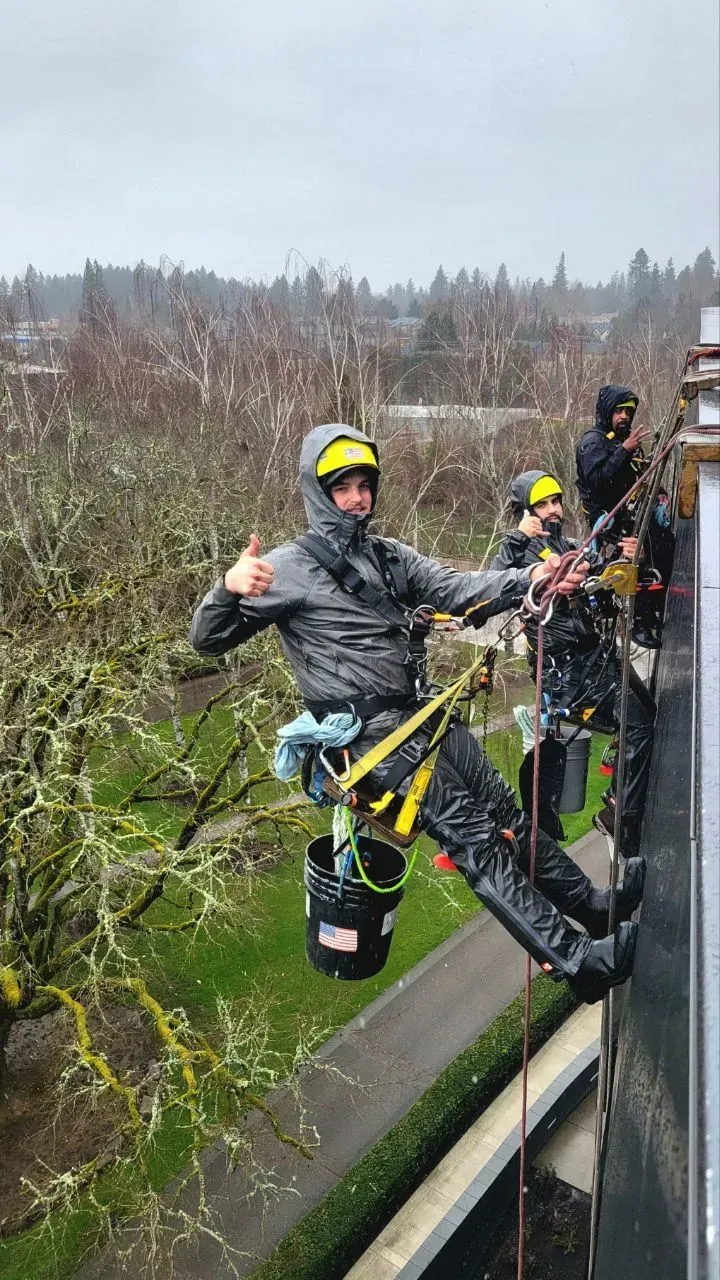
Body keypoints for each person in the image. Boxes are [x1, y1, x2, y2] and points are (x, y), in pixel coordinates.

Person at [190, 425, 644, 1003]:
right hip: (369, 738)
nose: (357, 498)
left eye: (364, 485)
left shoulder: (384, 555)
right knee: (477, 840)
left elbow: (454, 587)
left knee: (508, 810)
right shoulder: (287, 569)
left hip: (418, 715)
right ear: (317, 493)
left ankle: (592, 905)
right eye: (342, 488)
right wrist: (228, 589)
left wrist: (531, 575)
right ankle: (577, 960)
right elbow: (208, 639)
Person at [491, 469, 656, 856]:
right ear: (525, 512)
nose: (553, 510)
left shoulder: (566, 544)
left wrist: (626, 556)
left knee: (648, 709)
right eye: (542, 504)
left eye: (556, 501)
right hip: (568, 675)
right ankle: (620, 813)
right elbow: (494, 584)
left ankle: (627, 787)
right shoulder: (517, 554)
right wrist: (519, 538)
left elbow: (597, 572)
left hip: (594, 657)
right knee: (639, 725)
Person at [575, 384, 674, 648]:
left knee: (660, 545)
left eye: (628, 412)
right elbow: (598, 481)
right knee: (633, 561)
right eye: (619, 411)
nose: (624, 417)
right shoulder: (592, 442)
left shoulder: (623, 442)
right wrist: (624, 450)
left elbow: (636, 477)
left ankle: (657, 610)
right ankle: (639, 622)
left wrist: (660, 494)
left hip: (630, 513)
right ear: (607, 412)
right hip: (608, 521)